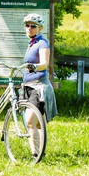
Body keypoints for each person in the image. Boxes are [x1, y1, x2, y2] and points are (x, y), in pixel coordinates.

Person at [22, 13, 58, 152]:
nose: (29, 28)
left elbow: (45, 63)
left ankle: (35, 154)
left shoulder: (42, 43)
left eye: (33, 26)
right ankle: (39, 152)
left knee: (30, 121)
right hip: (29, 86)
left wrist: (36, 67)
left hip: (38, 87)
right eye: (27, 25)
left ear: (40, 29)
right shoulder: (31, 44)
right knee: (36, 124)